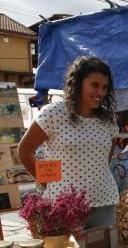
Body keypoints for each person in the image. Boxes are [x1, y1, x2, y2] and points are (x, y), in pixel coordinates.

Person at [18, 56, 120, 228]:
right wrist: (49, 183)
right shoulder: (54, 113)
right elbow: (25, 151)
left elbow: (104, 159)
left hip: (105, 201)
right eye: (94, 85)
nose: (100, 92)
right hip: (64, 205)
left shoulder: (108, 120)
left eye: (104, 87)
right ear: (78, 82)